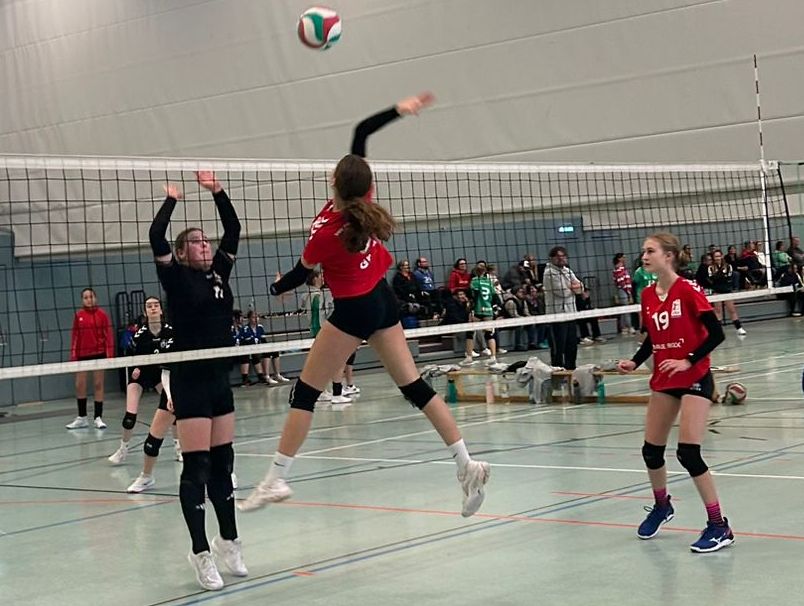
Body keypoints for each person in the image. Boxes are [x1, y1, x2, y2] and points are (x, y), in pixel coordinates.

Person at [238, 93, 490, 517]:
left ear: (333, 182)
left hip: (354, 309)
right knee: (414, 387)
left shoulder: (327, 233)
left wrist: (276, 286)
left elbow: (300, 275)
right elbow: (362, 132)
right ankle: (467, 465)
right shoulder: (364, 201)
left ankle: (276, 478)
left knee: (304, 393)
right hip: (381, 299)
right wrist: (401, 110)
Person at [150, 170, 246, 590]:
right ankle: (200, 552)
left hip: (219, 379)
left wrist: (217, 191)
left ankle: (229, 541)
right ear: (181, 252)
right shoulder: (176, 277)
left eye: (206, 240)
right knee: (198, 468)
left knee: (224, 465)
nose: (205, 244)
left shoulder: (220, 272)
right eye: (195, 241)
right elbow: (155, 236)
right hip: (189, 380)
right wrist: (171, 200)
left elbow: (234, 229)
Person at [617, 232, 733, 553]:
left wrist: (688, 360)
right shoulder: (647, 295)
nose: (644, 256)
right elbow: (653, 338)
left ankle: (719, 526)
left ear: (668, 256)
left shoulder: (688, 289)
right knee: (651, 451)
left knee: (688, 453)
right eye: (643, 251)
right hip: (665, 379)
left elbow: (716, 334)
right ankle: (662, 505)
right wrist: (635, 361)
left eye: (650, 251)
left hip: (695, 376)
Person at [107, 296, 175, 465]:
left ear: (161, 310)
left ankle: (179, 448)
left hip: (161, 374)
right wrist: (135, 367)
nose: (153, 308)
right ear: (145, 312)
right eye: (149, 306)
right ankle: (123, 449)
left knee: (173, 411)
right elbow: (130, 357)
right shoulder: (139, 335)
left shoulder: (170, 332)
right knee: (129, 417)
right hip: (142, 373)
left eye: (156, 305)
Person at [66, 288, 114, 430]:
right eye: (85, 297)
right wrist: (73, 356)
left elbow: (108, 335)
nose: (88, 299)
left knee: (98, 384)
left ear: (95, 298)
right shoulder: (79, 315)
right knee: (80, 385)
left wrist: (109, 355)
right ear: (82, 300)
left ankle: (98, 417)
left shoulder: (102, 315)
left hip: (99, 354)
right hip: (82, 355)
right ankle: (82, 417)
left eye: (91, 296)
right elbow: (75, 336)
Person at [542, 246, 583, 370]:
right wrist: (573, 287)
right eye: (558, 256)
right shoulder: (549, 273)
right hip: (557, 316)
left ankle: (571, 370)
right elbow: (562, 292)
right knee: (559, 347)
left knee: (572, 345)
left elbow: (581, 288)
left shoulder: (567, 271)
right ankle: (558, 372)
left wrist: (574, 287)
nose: (561, 259)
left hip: (571, 314)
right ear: (552, 258)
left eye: (563, 256)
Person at [708, 250, 747, 336]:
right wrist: (720, 276)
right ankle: (718, 330)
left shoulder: (728, 266)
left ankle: (739, 328)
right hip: (717, 291)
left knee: (732, 310)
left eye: (719, 256)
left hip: (727, 291)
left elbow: (728, 278)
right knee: (718, 311)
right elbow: (712, 279)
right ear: (713, 258)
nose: (718, 258)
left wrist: (719, 276)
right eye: (716, 256)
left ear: (722, 256)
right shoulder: (711, 267)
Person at [468, 261, 499, 365]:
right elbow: (494, 295)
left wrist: (471, 306)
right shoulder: (489, 282)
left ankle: (469, 356)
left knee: (470, 332)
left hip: (478, 308)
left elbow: (473, 294)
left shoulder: (475, 280)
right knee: (489, 334)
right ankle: (493, 357)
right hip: (488, 309)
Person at [612, 253, 636, 335]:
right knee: (626, 309)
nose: (625, 259)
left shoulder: (620, 269)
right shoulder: (619, 269)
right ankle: (629, 327)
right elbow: (622, 282)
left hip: (623, 290)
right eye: (623, 257)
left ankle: (623, 327)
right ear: (619, 259)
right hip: (623, 290)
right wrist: (628, 292)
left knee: (623, 309)